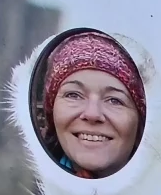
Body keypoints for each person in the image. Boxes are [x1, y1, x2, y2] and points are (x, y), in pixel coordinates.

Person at [40, 31, 147, 178]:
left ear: (141, 126)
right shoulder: (20, 184)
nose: (92, 114)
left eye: (114, 100)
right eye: (73, 95)